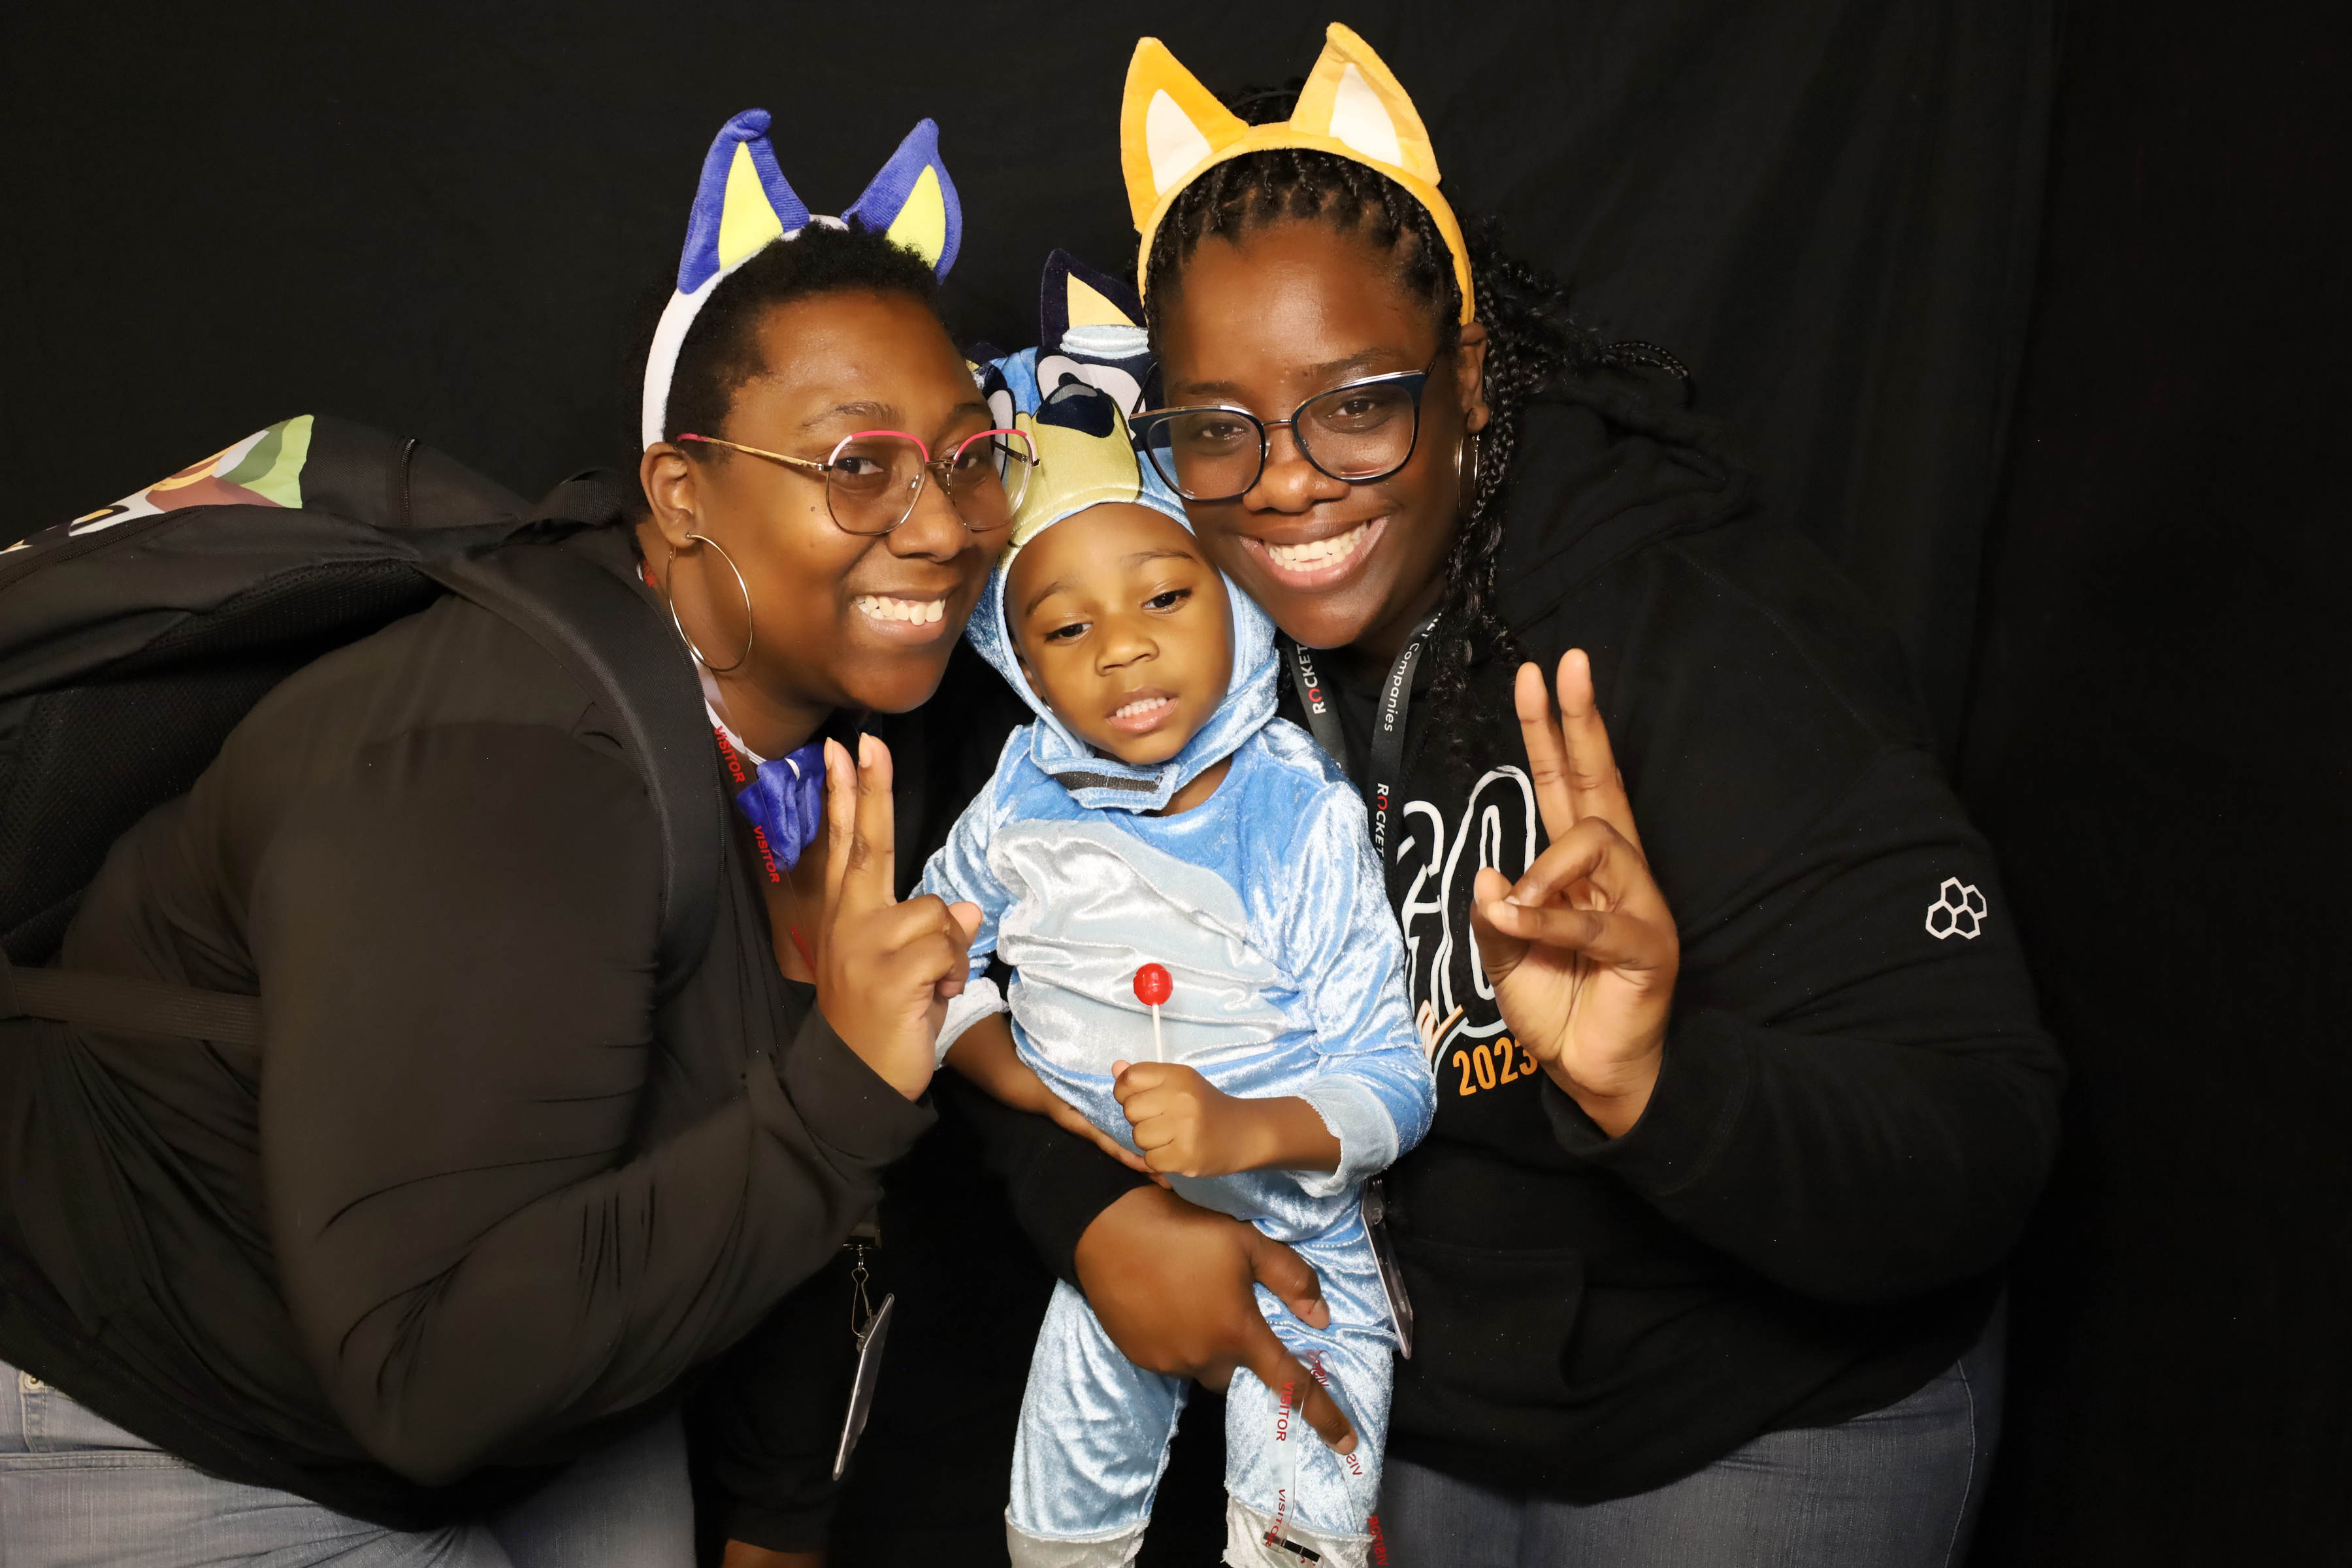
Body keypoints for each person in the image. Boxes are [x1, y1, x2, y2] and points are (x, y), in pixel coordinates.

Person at [965, 25, 2066, 1567]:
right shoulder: (1171, 637)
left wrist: (1657, 1085)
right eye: (1218, 428)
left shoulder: (1691, 633)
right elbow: (1052, 967)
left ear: (1469, 378)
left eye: (1359, 404)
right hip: (1426, 1416)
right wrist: (1089, 1211)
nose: (1285, 481)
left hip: (1752, 1413)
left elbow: (1982, 1143)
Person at [0, 109, 1011, 1566]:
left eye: (968, 456)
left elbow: (756, 1164)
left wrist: (779, 1517)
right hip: (162, 1406)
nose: (941, 527)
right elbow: (425, 1378)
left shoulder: (808, 741)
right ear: (681, 494)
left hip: (510, 1351)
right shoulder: (517, 772)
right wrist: (842, 1089)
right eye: (858, 463)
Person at [912, 268, 1434, 1568]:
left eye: (1164, 597)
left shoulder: (1292, 813)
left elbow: (1393, 1077)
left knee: (1299, 1530)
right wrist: (1029, 1087)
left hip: (1301, 1239)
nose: (1123, 650)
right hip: (1118, 1234)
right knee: (1057, 1530)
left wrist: (1241, 1128)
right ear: (1018, 665)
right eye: (1065, 629)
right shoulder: (1016, 799)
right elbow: (927, 958)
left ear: (1234, 598)